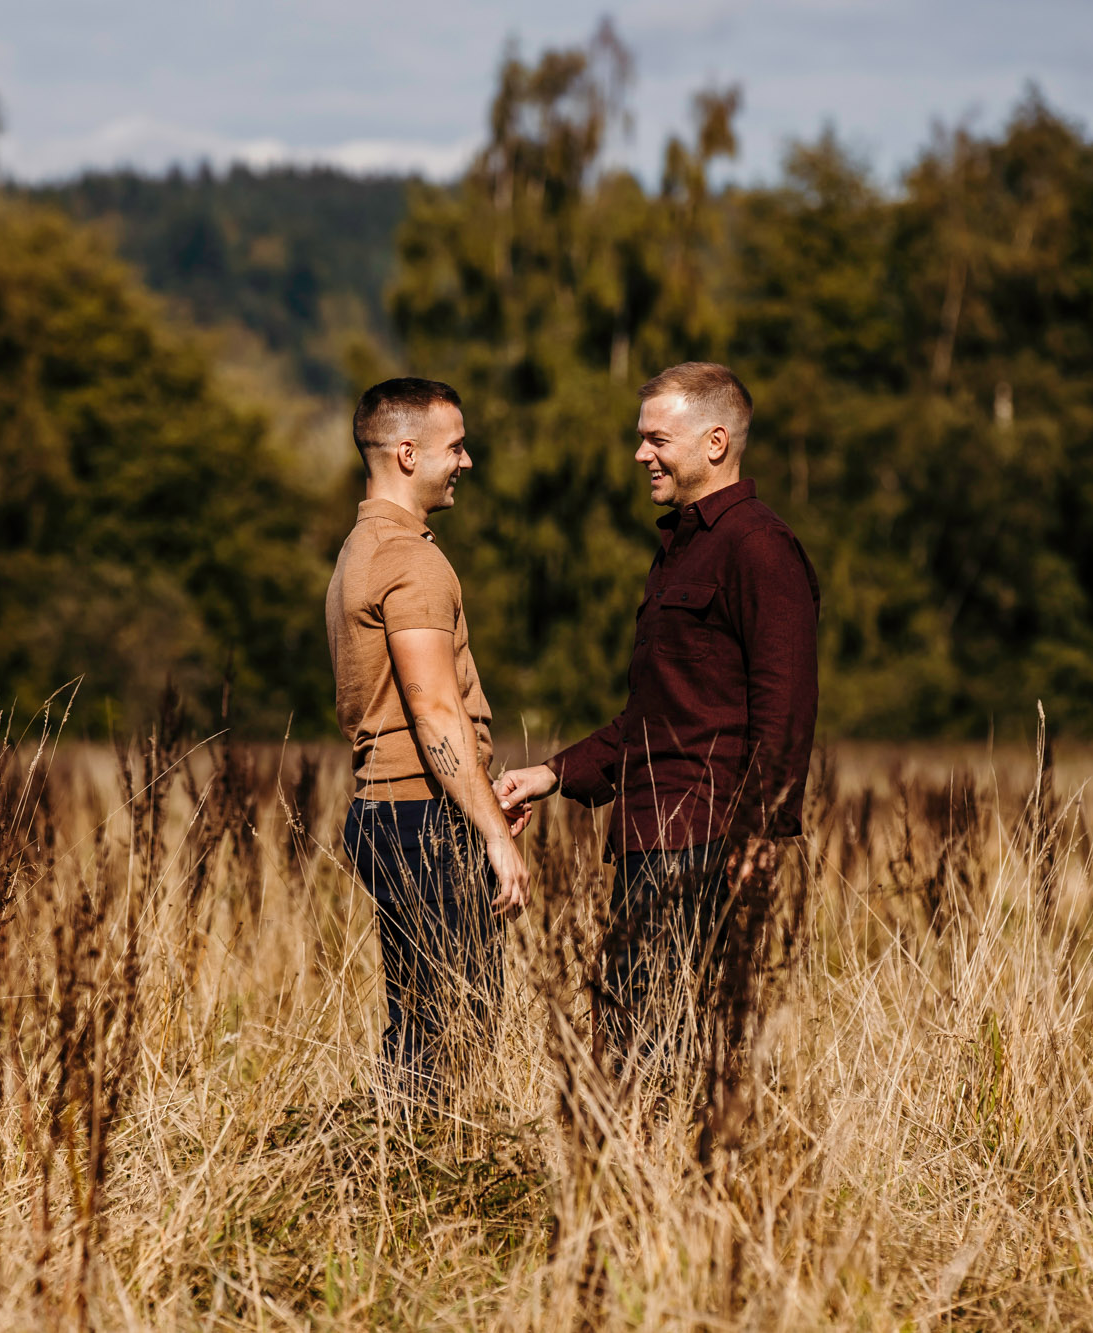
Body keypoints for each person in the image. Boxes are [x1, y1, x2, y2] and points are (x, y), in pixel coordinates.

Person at [496, 362, 819, 1075]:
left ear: (715, 441)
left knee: (655, 1044)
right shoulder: (681, 547)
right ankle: (648, 1181)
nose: (641, 454)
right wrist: (552, 773)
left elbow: (785, 706)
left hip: (706, 840)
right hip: (652, 833)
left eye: (656, 439)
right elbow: (659, 715)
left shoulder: (759, 548)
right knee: (639, 1032)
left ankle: (671, 1179)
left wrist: (760, 834)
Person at [326, 377, 529, 1103]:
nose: (467, 462)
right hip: (424, 818)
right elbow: (434, 710)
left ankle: (397, 1171)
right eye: (457, 446)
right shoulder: (411, 561)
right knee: (459, 1026)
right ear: (408, 454)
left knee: (419, 1024)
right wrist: (494, 832)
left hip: (388, 810)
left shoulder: (360, 549)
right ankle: (431, 1183)